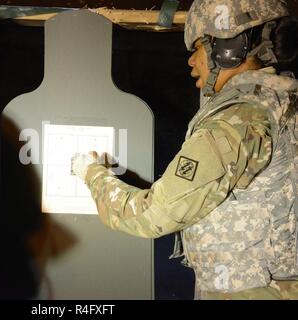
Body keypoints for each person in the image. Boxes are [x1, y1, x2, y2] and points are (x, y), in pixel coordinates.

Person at [72, 0, 298, 300]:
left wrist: (91, 174)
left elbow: (155, 214)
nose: (192, 61)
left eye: (198, 48)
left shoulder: (240, 118)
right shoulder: (282, 100)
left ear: (228, 47)